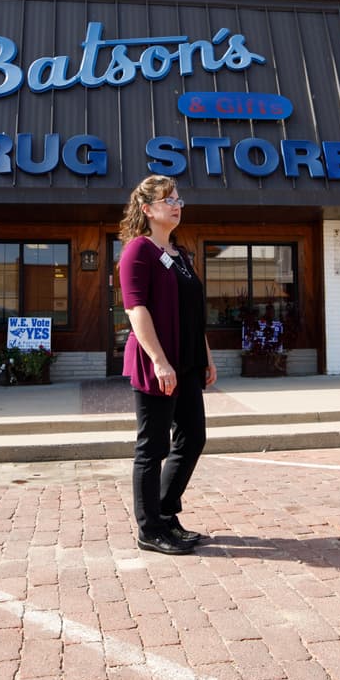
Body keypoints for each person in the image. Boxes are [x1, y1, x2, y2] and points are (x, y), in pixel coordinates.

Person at [118, 174, 217, 555]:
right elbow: (135, 308)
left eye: (178, 198)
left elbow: (194, 312)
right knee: (152, 446)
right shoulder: (137, 252)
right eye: (168, 199)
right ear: (147, 209)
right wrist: (159, 360)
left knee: (193, 437)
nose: (176, 204)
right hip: (158, 363)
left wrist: (206, 357)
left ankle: (164, 513)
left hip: (189, 363)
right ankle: (149, 529)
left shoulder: (181, 255)